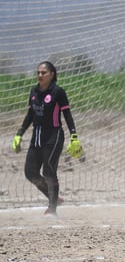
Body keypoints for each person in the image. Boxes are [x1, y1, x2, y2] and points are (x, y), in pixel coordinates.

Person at [12, 61, 84, 217]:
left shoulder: (58, 92)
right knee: (30, 173)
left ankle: (52, 209)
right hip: (36, 137)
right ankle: (54, 198)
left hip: (54, 136)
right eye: (38, 72)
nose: (40, 75)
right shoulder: (33, 92)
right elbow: (30, 115)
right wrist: (19, 133)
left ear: (52, 74)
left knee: (49, 171)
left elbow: (67, 115)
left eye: (43, 73)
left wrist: (74, 136)